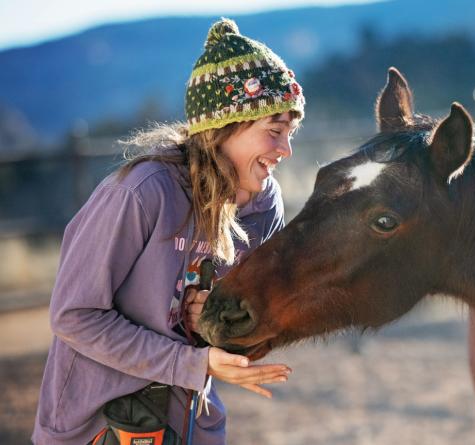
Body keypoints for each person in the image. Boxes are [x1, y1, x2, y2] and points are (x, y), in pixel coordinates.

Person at [32, 17, 305, 445]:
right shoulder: (143, 192)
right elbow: (74, 315)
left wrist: (220, 329)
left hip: (194, 423)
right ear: (221, 130)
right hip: (98, 422)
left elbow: (256, 319)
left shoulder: (265, 203)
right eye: (273, 132)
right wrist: (190, 363)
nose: (286, 150)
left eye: (291, 133)